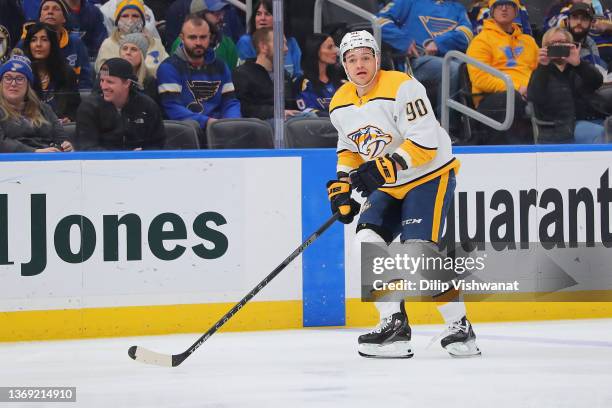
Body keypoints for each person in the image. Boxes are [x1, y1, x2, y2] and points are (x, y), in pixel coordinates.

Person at [326, 30, 480, 358]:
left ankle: (459, 325)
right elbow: (349, 148)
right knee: (365, 242)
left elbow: (426, 141)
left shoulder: (403, 86)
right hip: (392, 183)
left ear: (377, 60)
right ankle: (393, 325)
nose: (360, 64)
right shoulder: (339, 102)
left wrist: (383, 167)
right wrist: (341, 185)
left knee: (418, 254)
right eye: (351, 59)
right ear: (344, 65)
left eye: (366, 56)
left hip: (429, 175)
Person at [375, 0, 473, 118]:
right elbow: (380, 21)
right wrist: (403, 41)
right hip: (415, 61)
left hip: (447, 58)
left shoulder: (458, 8)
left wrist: (439, 43)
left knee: (469, 68)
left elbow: (466, 35)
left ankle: (472, 126)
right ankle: (448, 127)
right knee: (451, 69)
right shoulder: (409, 2)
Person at [157, 14, 240, 145]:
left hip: (219, 131)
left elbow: (230, 102)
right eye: (192, 37)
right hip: (185, 135)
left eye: (203, 37)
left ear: (210, 37)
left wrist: (232, 123)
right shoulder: (168, 67)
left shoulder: (220, 66)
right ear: (181, 38)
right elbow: (172, 107)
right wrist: (207, 122)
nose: (198, 42)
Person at [466, 0, 538, 144]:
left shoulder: (529, 41)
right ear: (492, 11)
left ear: (516, 11)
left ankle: (561, 147)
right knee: (512, 98)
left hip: (528, 93)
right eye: (499, 5)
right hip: (492, 98)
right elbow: (481, 79)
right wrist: (517, 89)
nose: (504, 8)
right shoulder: (481, 40)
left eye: (509, 5)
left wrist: (534, 89)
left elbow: (539, 71)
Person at [528, 27, 605, 144]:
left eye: (563, 43)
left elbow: (597, 82)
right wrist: (543, 66)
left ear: (571, 45)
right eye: (553, 43)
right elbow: (535, 97)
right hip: (562, 129)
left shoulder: (578, 67)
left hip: (594, 120)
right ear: (545, 48)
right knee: (603, 135)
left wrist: (579, 64)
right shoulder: (541, 72)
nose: (558, 46)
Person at [75, 58, 165, 150]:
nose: (104, 86)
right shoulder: (89, 108)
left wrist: (144, 153)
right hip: (101, 163)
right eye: (102, 80)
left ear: (127, 83)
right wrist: (123, 158)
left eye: (110, 82)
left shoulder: (148, 106)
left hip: (141, 162)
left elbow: (158, 143)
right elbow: (87, 147)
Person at [0, 54, 73, 153]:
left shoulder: (44, 108)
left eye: (19, 79)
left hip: (49, 159)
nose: (13, 83)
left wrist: (66, 145)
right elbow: (2, 143)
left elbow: (61, 137)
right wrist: (34, 152)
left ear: (28, 84)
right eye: (8, 78)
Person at [18, 0, 92, 89]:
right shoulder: (25, 43)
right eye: (45, 9)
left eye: (56, 9)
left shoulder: (76, 43)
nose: (50, 12)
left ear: (64, 18)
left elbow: (86, 80)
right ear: (40, 18)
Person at [233, 28, 300, 121]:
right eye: (281, 44)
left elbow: (289, 103)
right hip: (261, 125)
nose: (286, 49)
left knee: (314, 119)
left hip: (285, 120)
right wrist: (275, 112)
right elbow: (245, 109)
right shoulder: (243, 74)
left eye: (286, 44)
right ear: (264, 47)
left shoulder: (284, 75)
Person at [22, 22, 80, 123]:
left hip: (59, 129)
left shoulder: (67, 73)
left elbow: (75, 108)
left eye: (44, 40)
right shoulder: (22, 74)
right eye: (33, 40)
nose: (38, 44)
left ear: (52, 44)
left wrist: (70, 118)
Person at [95, 0, 168, 78]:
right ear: (117, 20)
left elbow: (166, 68)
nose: (130, 20)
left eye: (135, 16)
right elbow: (102, 72)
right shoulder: (108, 43)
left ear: (142, 20)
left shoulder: (155, 43)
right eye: (125, 16)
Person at [236, 0, 302, 78]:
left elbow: (297, 76)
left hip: (288, 88)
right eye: (258, 14)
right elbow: (244, 76)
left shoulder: (291, 42)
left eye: (267, 14)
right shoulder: (245, 42)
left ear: (279, 18)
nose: (262, 18)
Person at [169, 0, 239, 70]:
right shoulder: (181, 44)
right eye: (216, 13)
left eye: (222, 13)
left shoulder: (228, 44)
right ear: (199, 16)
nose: (221, 17)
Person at [294, 33, 345, 116]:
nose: (336, 50)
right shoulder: (303, 83)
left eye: (334, 46)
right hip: (319, 127)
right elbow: (308, 112)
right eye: (330, 47)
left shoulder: (343, 82)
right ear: (315, 50)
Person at [118, 33, 159, 102]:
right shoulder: (109, 70)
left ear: (142, 55)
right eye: (124, 48)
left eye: (133, 49)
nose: (128, 52)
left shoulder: (149, 80)